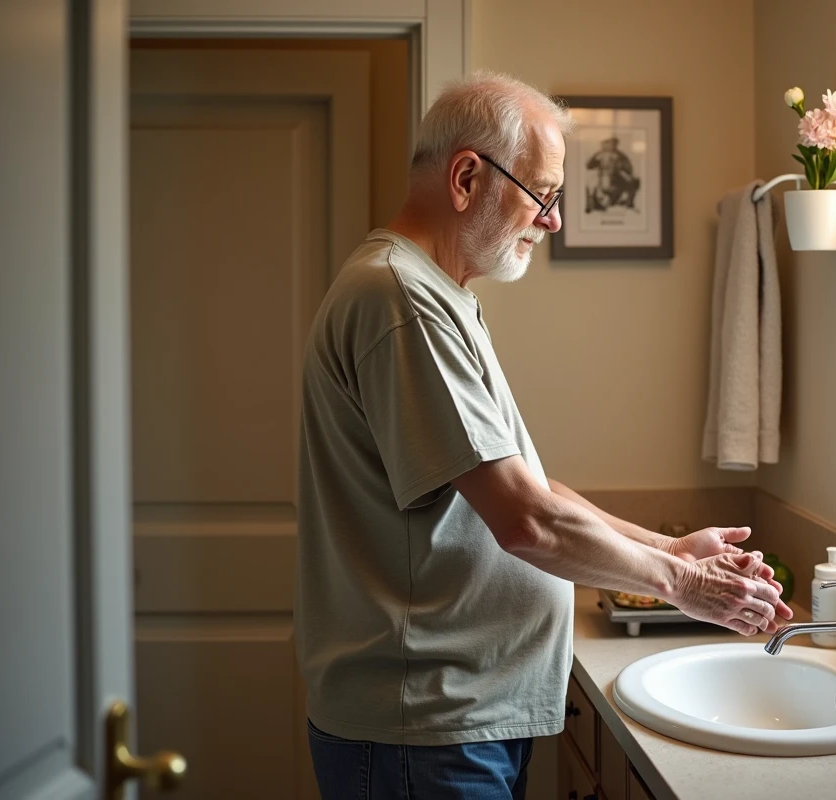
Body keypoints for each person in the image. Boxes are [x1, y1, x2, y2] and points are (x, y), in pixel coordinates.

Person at [294, 71, 792, 800]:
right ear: (467, 176)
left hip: (453, 721)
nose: (553, 222)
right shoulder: (400, 298)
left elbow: (526, 488)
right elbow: (525, 521)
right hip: (424, 731)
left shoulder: (438, 294)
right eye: (544, 195)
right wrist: (685, 585)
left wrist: (668, 548)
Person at [585, 135, 641, 211]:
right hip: (601, 176)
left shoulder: (620, 155)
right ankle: (591, 205)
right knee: (590, 185)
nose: (610, 145)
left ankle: (629, 204)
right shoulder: (599, 154)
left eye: (612, 143)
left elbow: (628, 167)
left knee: (633, 182)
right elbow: (589, 165)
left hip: (616, 176)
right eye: (607, 143)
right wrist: (597, 159)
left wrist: (620, 169)